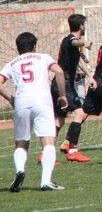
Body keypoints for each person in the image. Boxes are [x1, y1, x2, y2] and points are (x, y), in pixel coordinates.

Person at [0, 32, 68, 191]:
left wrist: (10, 98)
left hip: (21, 102)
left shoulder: (12, 63)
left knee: (21, 143)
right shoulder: (43, 57)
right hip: (42, 101)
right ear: (34, 46)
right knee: (48, 142)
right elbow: (58, 71)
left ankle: (20, 171)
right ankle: (46, 180)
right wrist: (63, 95)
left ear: (18, 48)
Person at [53, 14, 94, 163]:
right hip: (64, 82)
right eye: (84, 24)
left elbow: (78, 61)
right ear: (81, 26)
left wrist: (90, 75)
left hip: (59, 82)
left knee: (59, 120)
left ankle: (46, 152)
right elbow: (74, 42)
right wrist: (85, 43)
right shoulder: (70, 39)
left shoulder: (69, 42)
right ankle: (72, 150)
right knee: (79, 113)